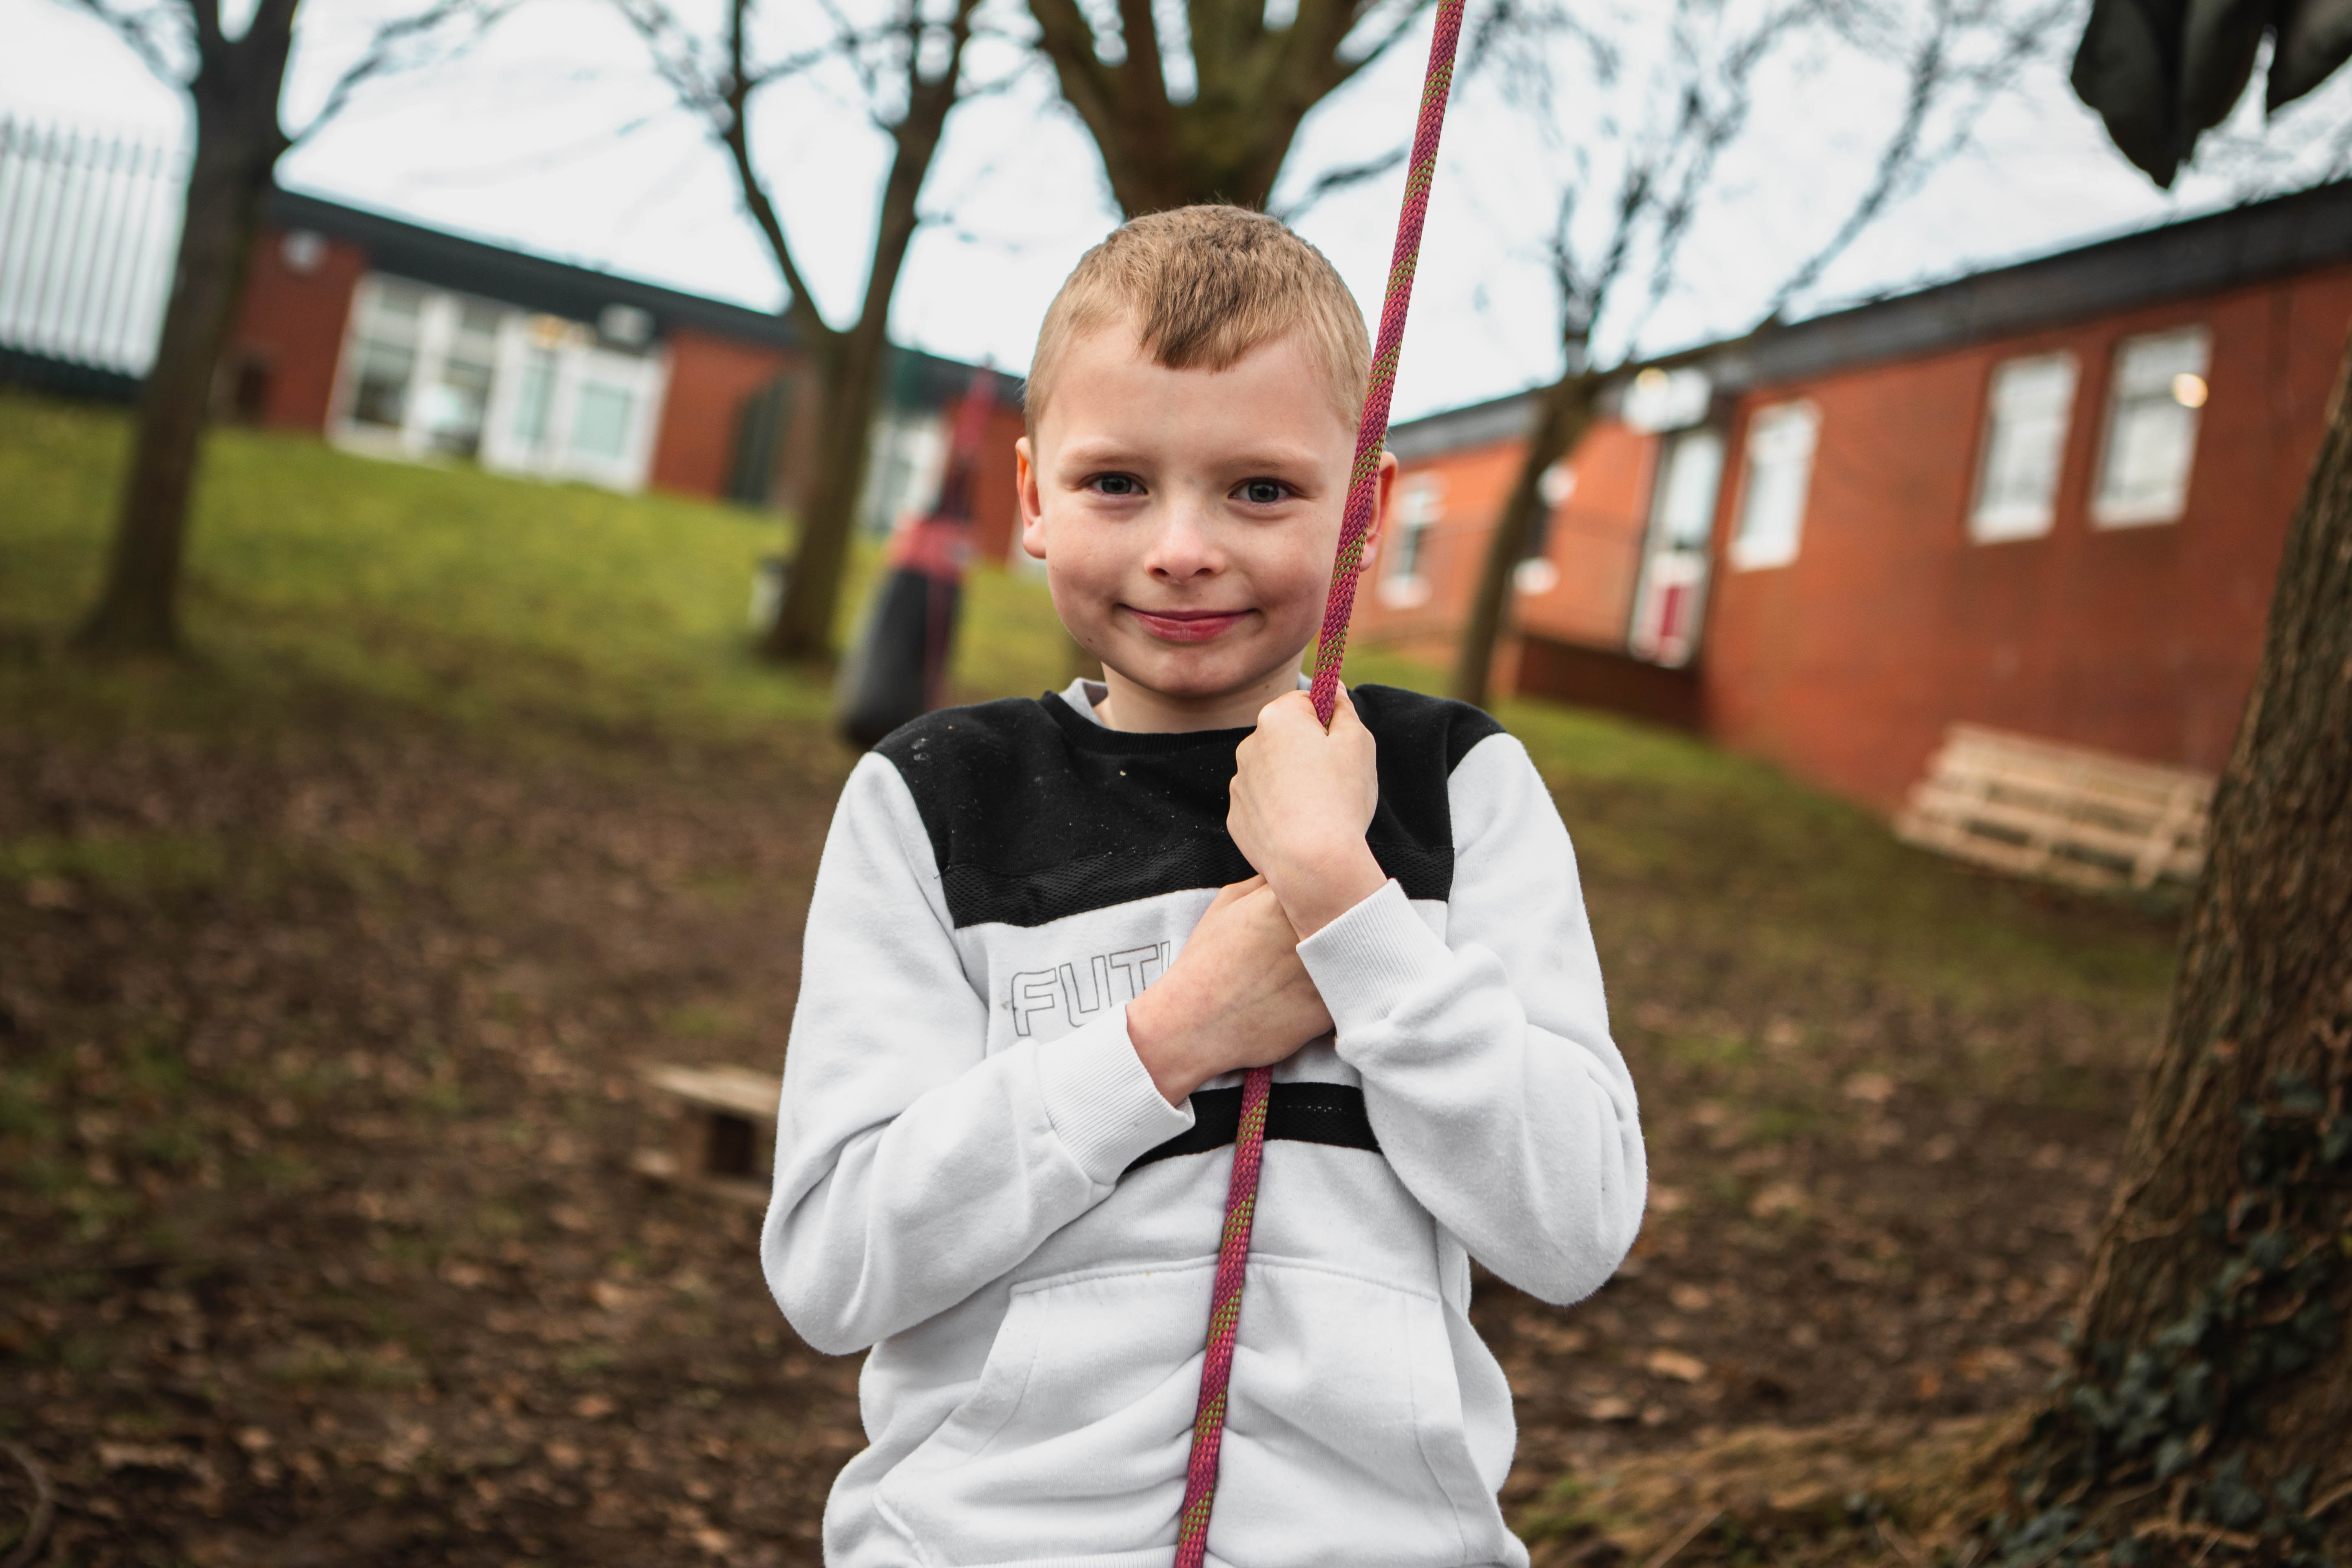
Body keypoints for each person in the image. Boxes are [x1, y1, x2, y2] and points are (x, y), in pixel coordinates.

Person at [765, 205, 1647, 1568]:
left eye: (1261, 489)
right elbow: (834, 1265)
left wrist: (1349, 907)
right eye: (1118, 482)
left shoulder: (1454, 790)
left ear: (1368, 513)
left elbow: (1575, 1224)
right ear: (1034, 501)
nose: (1184, 545)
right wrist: (1169, 1039)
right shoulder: (937, 799)